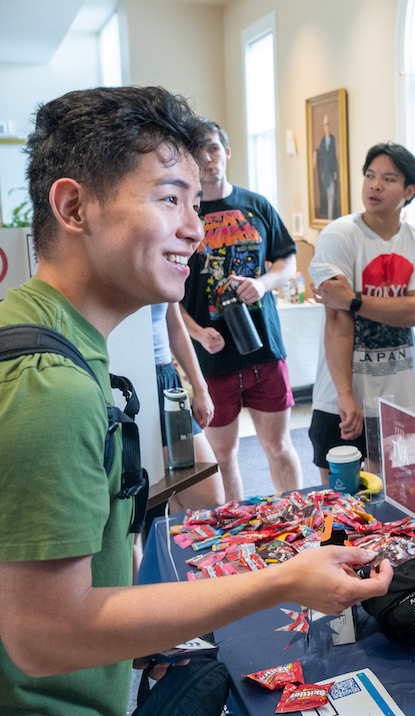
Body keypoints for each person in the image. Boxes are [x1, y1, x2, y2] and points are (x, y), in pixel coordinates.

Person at [0, 86, 391, 715]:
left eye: (193, 199)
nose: (195, 229)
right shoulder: (50, 386)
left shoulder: (54, 340)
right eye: (168, 199)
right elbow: (45, 635)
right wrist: (284, 579)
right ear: (74, 206)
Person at [180, 118, 304, 502]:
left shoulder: (257, 205)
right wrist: (198, 333)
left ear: (227, 153)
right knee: (224, 456)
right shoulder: (183, 215)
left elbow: (288, 261)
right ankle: (241, 535)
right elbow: (166, 295)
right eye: (199, 150)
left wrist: (263, 284)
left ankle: (297, 518)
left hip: (263, 348)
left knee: (279, 446)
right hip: (213, 356)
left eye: (213, 148)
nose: (208, 157)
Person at [307, 142, 415, 481]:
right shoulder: (340, 234)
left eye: (388, 178)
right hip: (339, 392)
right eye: (370, 175)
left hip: (402, 392)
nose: (375, 185)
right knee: (339, 499)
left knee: (398, 495)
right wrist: (345, 394)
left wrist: (354, 300)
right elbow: (337, 320)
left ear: (409, 191)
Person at [151, 301, 224, 509]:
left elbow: (174, 325)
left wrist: (200, 388)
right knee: (138, 506)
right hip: (118, 380)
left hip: (165, 378)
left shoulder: (166, 267)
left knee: (207, 499)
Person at [314, 113, 340, 221]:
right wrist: (315, 153)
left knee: (332, 195)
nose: (327, 127)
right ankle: (329, 217)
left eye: (328, 124)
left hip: (331, 171)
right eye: (325, 124)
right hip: (325, 173)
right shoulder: (323, 140)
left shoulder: (332, 139)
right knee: (327, 194)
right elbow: (320, 150)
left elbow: (333, 155)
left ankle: (330, 217)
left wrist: (335, 170)